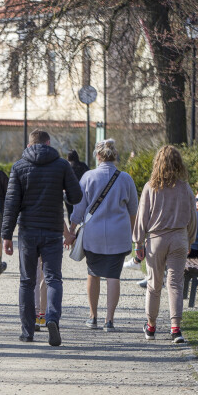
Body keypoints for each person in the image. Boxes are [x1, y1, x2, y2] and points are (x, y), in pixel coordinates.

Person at [1, 129, 82, 345]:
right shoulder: (62, 165)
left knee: (27, 281)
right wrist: (61, 188)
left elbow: (11, 204)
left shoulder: (19, 166)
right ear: (48, 143)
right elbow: (76, 197)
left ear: (29, 145)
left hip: (27, 231)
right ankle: (52, 318)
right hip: (53, 231)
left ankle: (27, 331)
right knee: (54, 277)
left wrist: (6, 235)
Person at [66, 139, 139, 332]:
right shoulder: (126, 179)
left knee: (93, 273)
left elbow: (78, 209)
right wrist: (132, 233)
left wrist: (71, 231)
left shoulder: (88, 177)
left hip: (93, 235)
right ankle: (110, 320)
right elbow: (133, 210)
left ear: (98, 156)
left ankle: (93, 317)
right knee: (113, 276)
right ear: (115, 155)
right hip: (118, 234)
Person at [133, 145, 198, 344]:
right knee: (176, 284)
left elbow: (142, 218)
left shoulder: (150, 187)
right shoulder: (185, 187)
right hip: (179, 238)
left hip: (156, 239)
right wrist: (190, 239)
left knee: (154, 284)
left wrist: (138, 243)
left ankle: (151, 326)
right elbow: (193, 217)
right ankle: (175, 328)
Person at [65, 150, 89, 222]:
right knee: (83, 211)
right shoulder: (83, 166)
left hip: (69, 193)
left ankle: (72, 229)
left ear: (68, 157)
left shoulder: (67, 167)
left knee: (70, 212)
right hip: (83, 192)